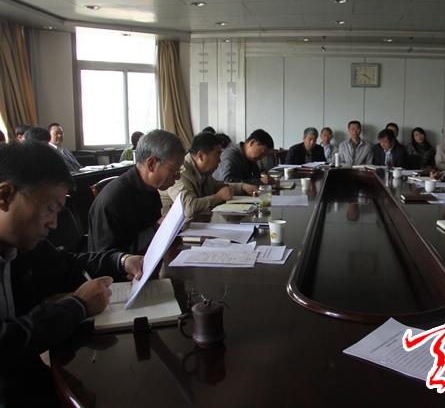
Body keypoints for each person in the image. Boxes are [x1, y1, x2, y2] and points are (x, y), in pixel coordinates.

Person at [0, 140, 144, 406]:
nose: (54, 223)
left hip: (23, 375)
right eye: (49, 208)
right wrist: (77, 306)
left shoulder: (22, 243)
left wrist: (120, 261)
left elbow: (66, 266)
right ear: (5, 195)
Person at [88, 130, 186, 254]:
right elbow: (108, 257)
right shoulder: (112, 201)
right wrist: (158, 227)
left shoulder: (150, 188)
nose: (178, 176)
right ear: (151, 164)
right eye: (175, 169)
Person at [161, 132, 257, 220]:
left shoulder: (204, 172)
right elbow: (188, 208)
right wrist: (217, 197)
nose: (220, 161)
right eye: (217, 155)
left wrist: (243, 187)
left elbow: (221, 187)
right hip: (178, 230)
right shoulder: (180, 172)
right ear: (200, 156)